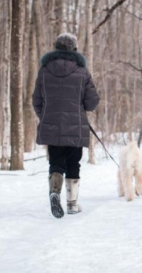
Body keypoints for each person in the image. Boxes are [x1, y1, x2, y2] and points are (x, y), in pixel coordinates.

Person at [32, 33, 99, 218]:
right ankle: (72, 204)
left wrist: (47, 117)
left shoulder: (44, 70)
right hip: (75, 128)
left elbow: (36, 100)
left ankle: (55, 192)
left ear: (56, 47)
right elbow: (92, 102)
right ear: (74, 48)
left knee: (56, 162)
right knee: (73, 163)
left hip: (52, 127)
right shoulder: (82, 71)